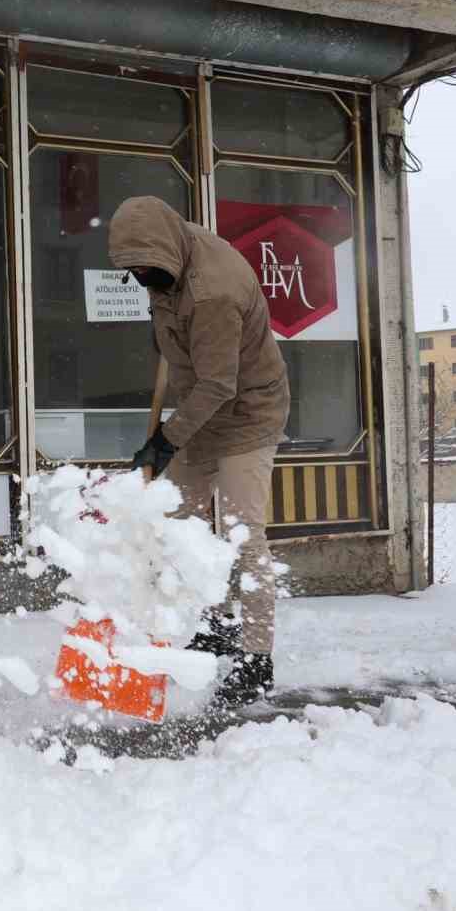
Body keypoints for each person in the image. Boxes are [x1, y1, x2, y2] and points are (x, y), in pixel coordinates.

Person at [108, 195, 291, 714]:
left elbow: (219, 383)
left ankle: (257, 658)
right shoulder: (167, 255)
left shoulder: (213, 291)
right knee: (180, 521)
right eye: (134, 270)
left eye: (146, 269)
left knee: (240, 532)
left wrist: (165, 440)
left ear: (165, 252)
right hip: (200, 406)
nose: (142, 277)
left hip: (247, 413)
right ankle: (215, 625)